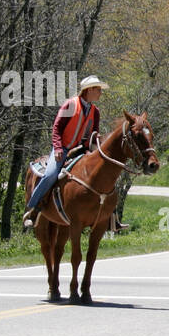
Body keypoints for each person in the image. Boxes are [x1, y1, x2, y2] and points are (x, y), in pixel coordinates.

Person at [22, 76, 108, 229]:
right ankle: (33, 210)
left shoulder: (95, 111)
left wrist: (96, 140)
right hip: (63, 148)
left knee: (104, 175)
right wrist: (58, 148)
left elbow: (94, 132)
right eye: (98, 89)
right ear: (89, 90)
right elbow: (56, 128)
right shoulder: (70, 104)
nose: (101, 93)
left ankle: (109, 217)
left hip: (82, 150)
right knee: (50, 175)